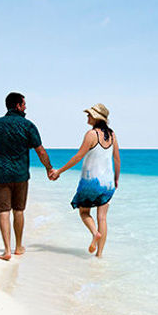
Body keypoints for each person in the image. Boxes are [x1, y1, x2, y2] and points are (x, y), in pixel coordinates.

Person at [0, 92, 54, 261]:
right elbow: (40, 151)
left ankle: (7, 250)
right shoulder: (28, 125)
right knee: (19, 211)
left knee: (4, 212)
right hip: (20, 175)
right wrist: (49, 168)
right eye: (24, 104)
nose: (26, 107)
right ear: (18, 106)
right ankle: (19, 247)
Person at [50, 103, 120, 257]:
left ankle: (95, 233)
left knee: (84, 212)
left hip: (91, 183)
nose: (87, 117)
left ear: (96, 117)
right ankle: (99, 255)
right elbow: (117, 160)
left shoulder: (91, 134)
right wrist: (116, 180)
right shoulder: (113, 135)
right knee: (102, 217)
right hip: (107, 184)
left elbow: (78, 157)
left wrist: (59, 171)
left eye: (89, 115)